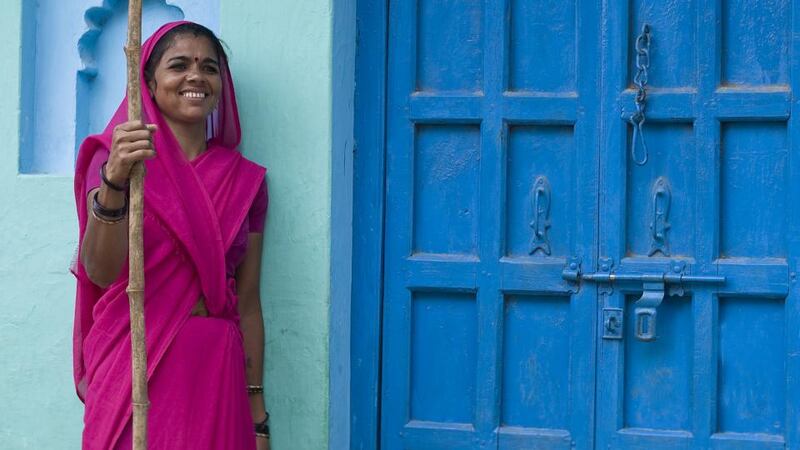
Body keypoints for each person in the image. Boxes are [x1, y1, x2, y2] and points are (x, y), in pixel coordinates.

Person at [71, 21, 270, 450]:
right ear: (148, 82)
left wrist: (258, 414)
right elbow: (100, 271)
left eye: (209, 68)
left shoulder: (243, 180)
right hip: (133, 367)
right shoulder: (115, 160)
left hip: (215, 376)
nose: (196, 76)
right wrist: (115, 180)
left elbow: (249, 302)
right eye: (179, 65)